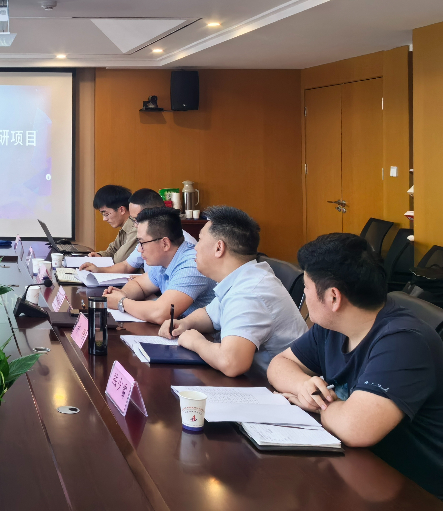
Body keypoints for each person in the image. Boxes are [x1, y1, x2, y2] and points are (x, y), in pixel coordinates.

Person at [268, 233, 443, 500]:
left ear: (333, 298)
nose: (304, 294)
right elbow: (280, 364)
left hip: (415, 492)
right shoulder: (334, 325)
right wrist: (304, 386)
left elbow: (355, 429)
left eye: (307, 287)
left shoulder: (404, 341)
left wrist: (319, 403)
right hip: (360, 472)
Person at [158, 206, 307, 376]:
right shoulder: (241, 277)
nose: (196, 248)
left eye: (200, 240)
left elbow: (231, 363)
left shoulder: (250, 291)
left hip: (270, 385)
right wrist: (185, 323)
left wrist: (195, 342)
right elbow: (210, 315)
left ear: (219, 248)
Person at [99, 207, 215, 325]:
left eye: (142, 243)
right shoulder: (164, 258)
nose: (139, 249)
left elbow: (161, 313)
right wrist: (122, 294)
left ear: (165, 243)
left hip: (202, 334)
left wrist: (121, 302)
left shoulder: (192, 264)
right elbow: (140, 285)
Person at [81, 188, 194, 274]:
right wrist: (98, 270)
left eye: (137, 219)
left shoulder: (186, 252)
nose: (135, 225)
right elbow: (127, 266)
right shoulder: (148, 238)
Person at [82, 185, 136, 265]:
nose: (104, 219)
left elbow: (119, 260)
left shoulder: (135, 228)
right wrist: (100, 255)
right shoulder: (125, 227)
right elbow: (112, 250)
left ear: (121, 210)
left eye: (106, 214)